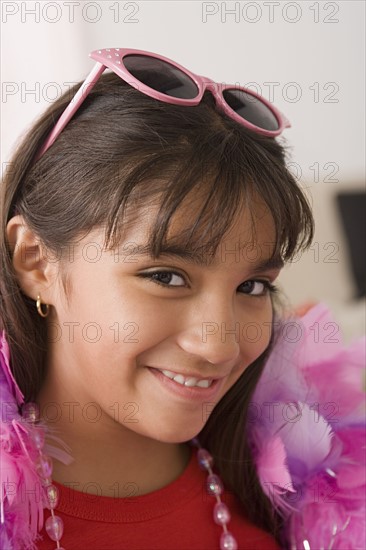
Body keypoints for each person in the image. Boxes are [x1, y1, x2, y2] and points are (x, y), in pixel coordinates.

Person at [1, 47, 362, 550]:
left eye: (252, 287)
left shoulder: (304, 511)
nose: (218, 346)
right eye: (166, 277)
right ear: (36, 261)